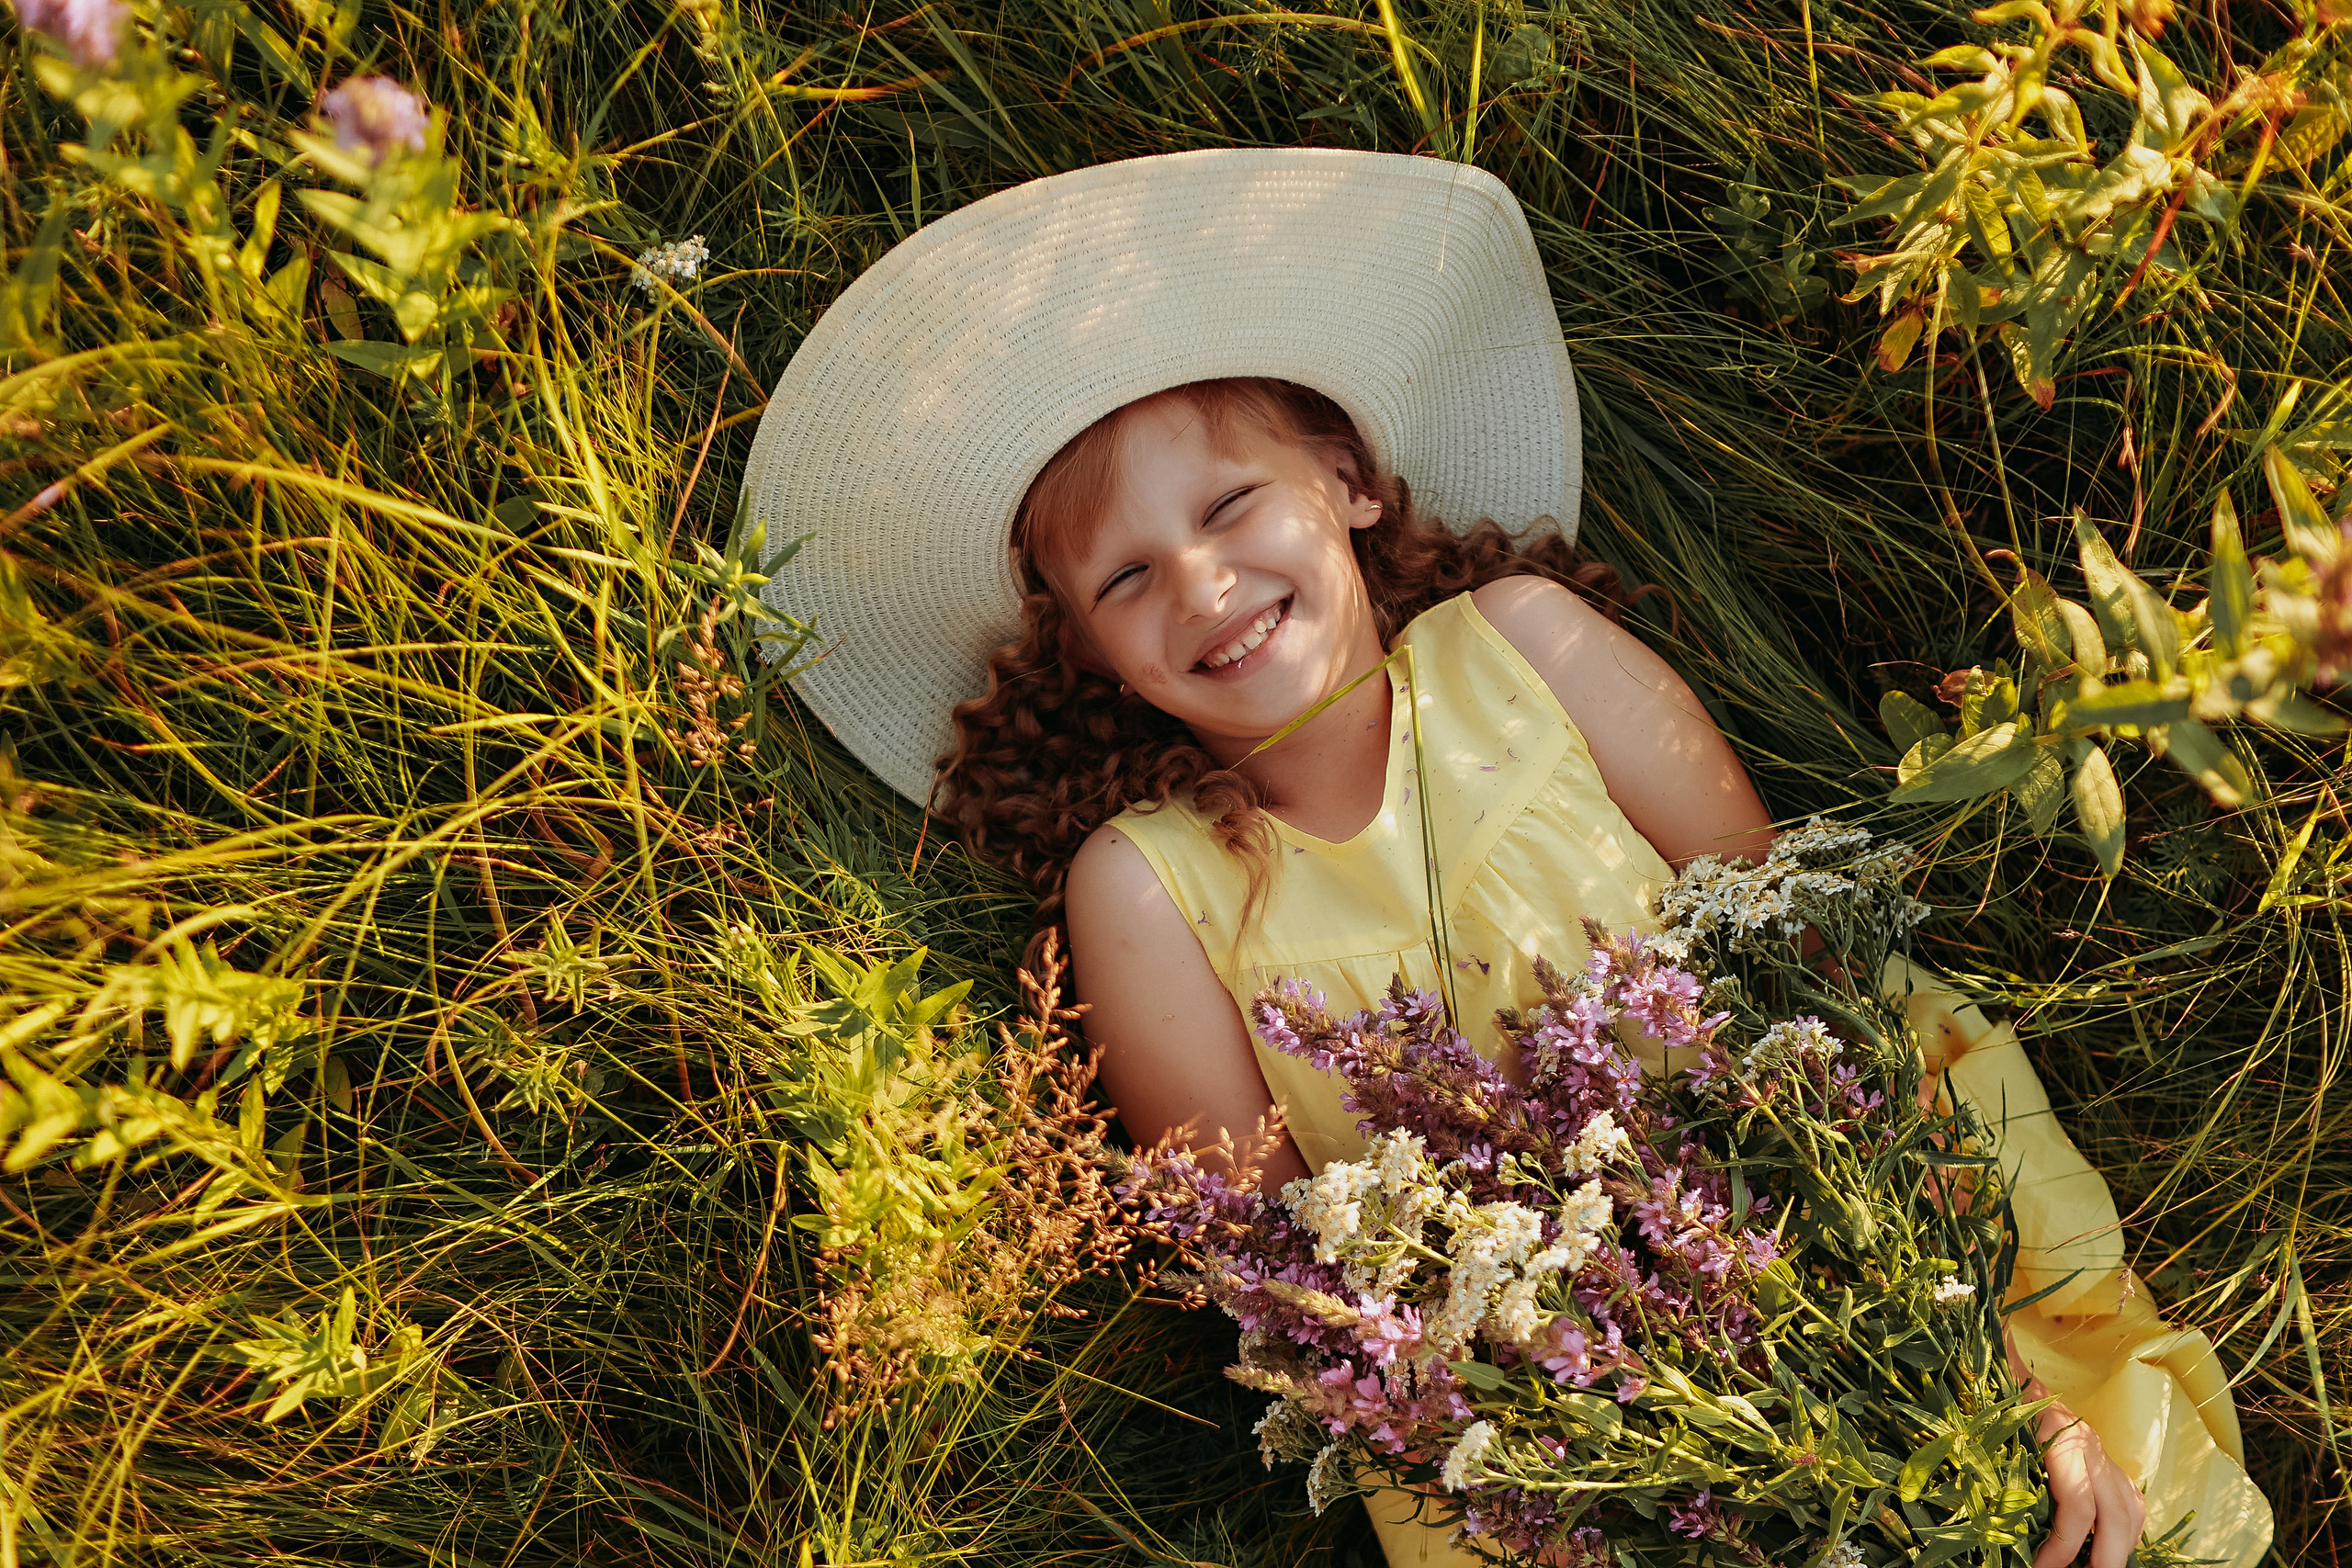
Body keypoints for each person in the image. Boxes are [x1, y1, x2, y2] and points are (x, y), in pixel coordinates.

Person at [741, 147, 2268, 1568]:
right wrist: (1571, 1361)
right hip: (1554, 1426)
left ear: (1349, 481)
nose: (1202, 585)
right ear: (1084, 651)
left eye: (1232, 504)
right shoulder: (1146, 886)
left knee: (2064, 1514)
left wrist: (1970, 1365)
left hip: (1856, 1205)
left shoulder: (1524, 646)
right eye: (1128, 577)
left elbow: (1801, 960)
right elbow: (1272, 1270)